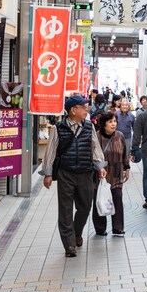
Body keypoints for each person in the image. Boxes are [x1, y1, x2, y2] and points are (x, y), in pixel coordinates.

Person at [41, 96, 108, 257]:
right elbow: (50, 150)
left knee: (85, 207)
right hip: (66, 173)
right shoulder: (59, 127)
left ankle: (76, 233)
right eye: (84, 108)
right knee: (65, 210)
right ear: (73, 110)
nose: (87, 110)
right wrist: (48, 174)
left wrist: (100, 166)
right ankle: (69, 245)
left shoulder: (88, 126)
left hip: (85, 172)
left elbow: (95, 147)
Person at [91, 112, 130, 237]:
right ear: (103, 124)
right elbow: (92, 155)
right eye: (110, 122)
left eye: (115, 121)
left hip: (116, 174)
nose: (114, 124)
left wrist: (127, 167)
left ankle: (118, 228)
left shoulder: (120, 136)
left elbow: (124, 153)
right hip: (100, 175)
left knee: (117, 198)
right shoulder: (96, 137)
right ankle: (100, 228)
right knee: (99, 199)